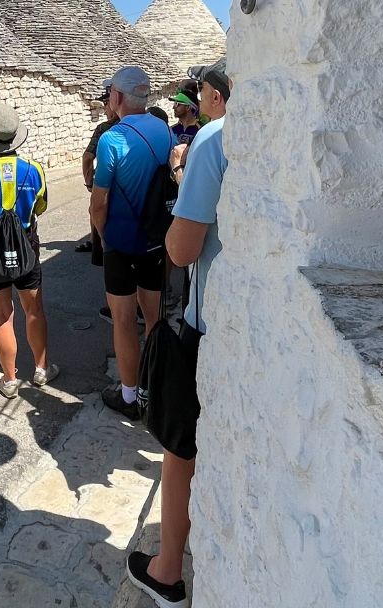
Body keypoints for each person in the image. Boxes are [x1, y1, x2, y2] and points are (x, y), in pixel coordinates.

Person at [125, 58, 230, 608]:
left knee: (178, 447)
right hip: (252, 323)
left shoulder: (215, 138)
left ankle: (167, 570)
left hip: (208, 322)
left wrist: (186, 184)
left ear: (215, 96)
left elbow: (182, 248)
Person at [90, 66, 175, 420]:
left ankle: (129, 395)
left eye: (111, 92)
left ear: (119, 96)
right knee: (154, 316)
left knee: (124, 320)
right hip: (157, 239)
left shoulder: (112, 138)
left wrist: (103, 233)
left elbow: (99, 201)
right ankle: (153, 388)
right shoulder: (164, 130)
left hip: (122, 242)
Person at [0, 103, 59, 399]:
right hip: (27, 250)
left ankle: (9, 378)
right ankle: (41, 369)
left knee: (2, 315)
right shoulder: (34, 170)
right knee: (34, 310)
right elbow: (40, 206)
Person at [76, 80, 117, 255]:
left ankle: (97, 244)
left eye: (106, 104)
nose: (105, 109)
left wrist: (89, 182)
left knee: (96, 208)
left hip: (106, 180)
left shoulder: (104, 129)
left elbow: (87, 157)